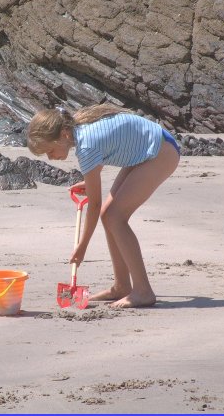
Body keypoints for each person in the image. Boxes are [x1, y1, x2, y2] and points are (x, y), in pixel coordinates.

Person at [27, 104, 181, 308]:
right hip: (146, 150)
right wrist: (89, 182)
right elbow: (107, 149)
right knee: (109, 214)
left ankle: (143, 291)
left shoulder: (86, 146)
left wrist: (82, 247)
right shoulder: (80, 131)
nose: (50, 157)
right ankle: (122, 286)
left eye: (50, 150)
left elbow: (94, 203)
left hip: (161, 152)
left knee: (115, 217)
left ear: (63, 135)